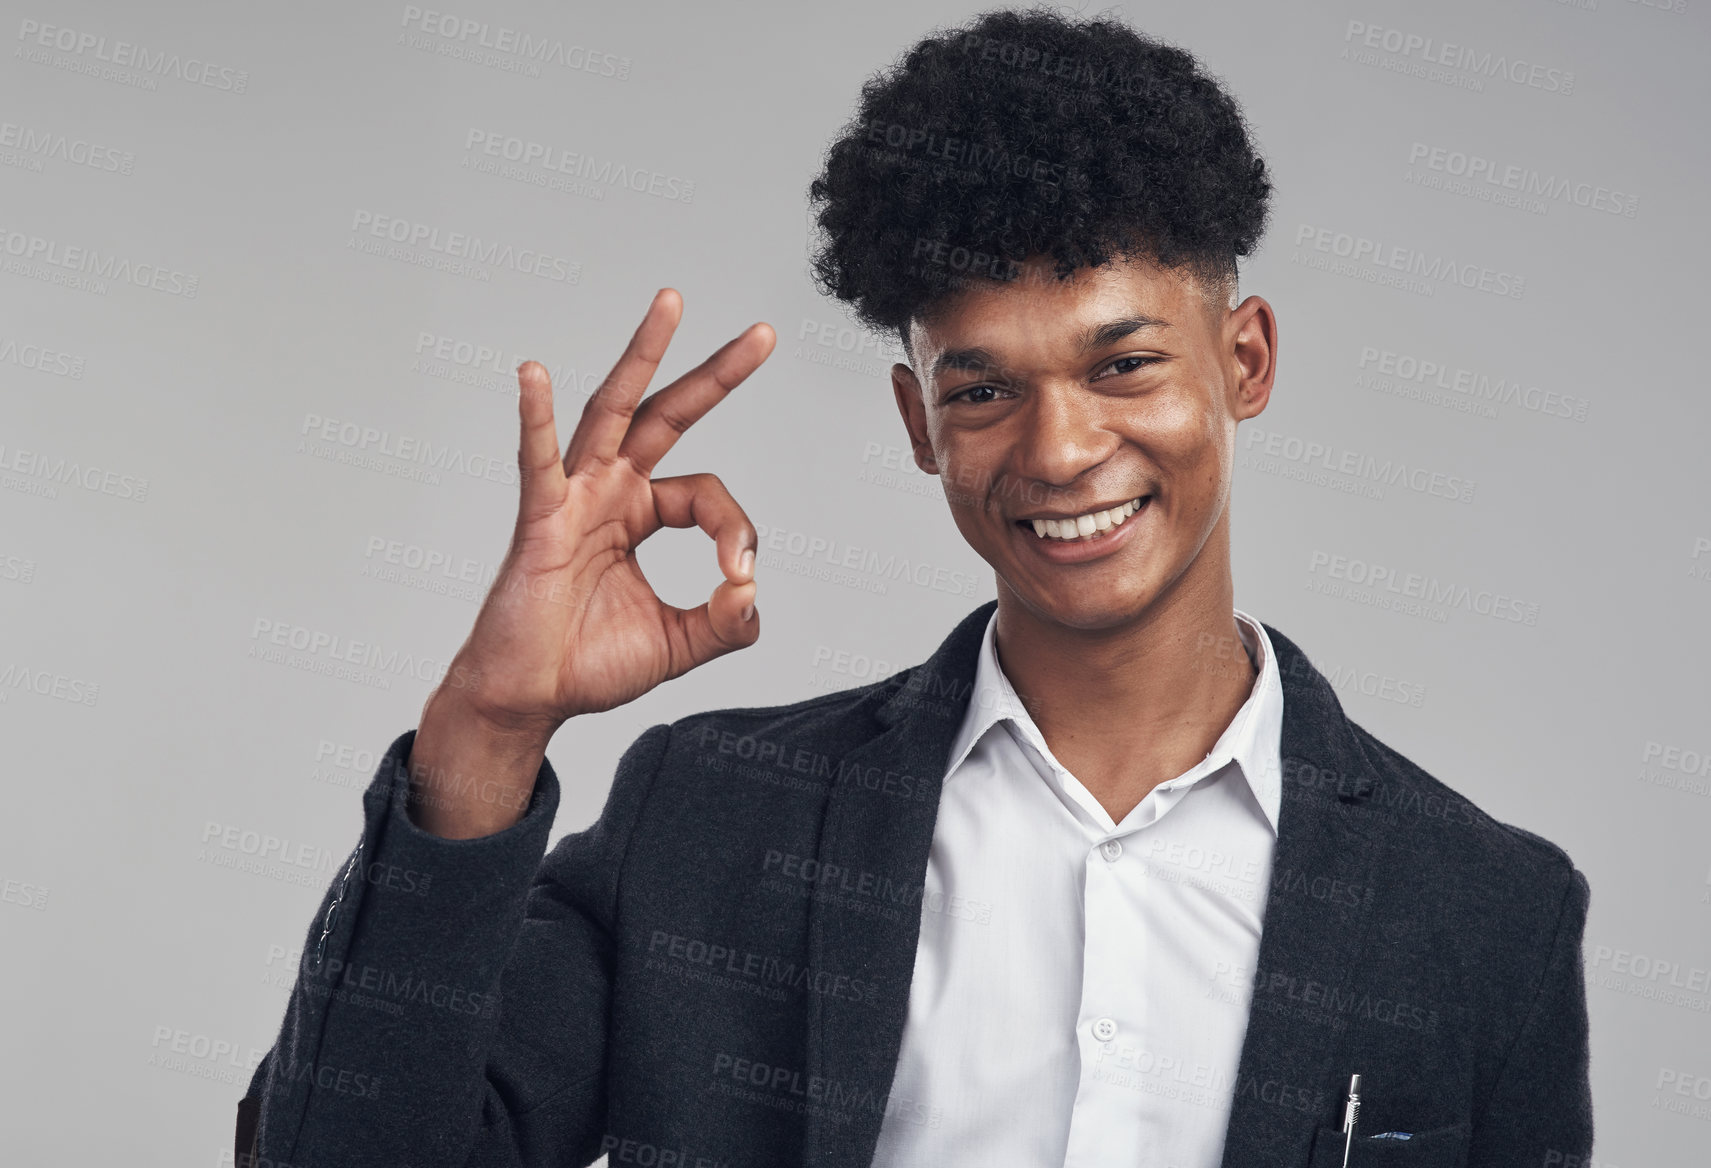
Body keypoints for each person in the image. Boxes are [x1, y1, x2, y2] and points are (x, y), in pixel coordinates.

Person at [236, 9, 1592, 1167]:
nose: (1061, 450)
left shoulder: (1481, 913)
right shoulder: (706, 823)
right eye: (985, 388)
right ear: (916, 422)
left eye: (1124, 365)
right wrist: (485, 728)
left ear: (1243, 360)